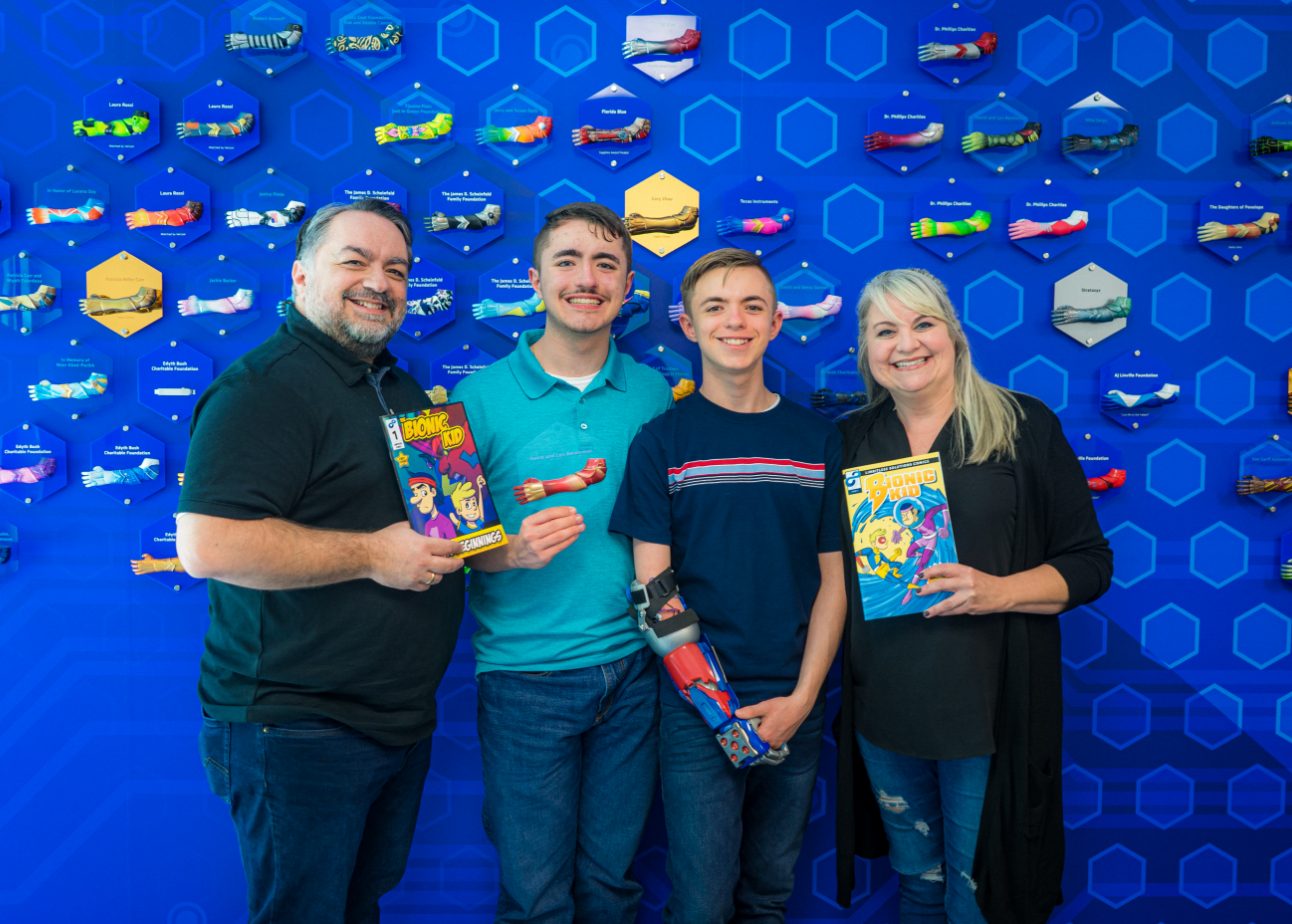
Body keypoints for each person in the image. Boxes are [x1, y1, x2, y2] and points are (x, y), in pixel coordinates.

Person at [176, 199, 468, 924]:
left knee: (355, 909)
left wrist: (499, 547)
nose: (380, 281)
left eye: (396, 268)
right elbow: (208, 546)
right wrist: (374, 555)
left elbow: (437, 529)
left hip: (394, 721)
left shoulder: (399, 387)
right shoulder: (263, 388)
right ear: (301, 275)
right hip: (298, 725)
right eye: (356, 261)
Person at [831, 268, 1113, 924]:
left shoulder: (1022, 425)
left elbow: (1090, 564)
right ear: (866, 351)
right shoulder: (848, 442)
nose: (907, 343)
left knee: (979, 897)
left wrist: (997, 591)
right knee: (920, 887)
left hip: (990, 713)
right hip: (887, 710)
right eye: (885, 330)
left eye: (924, 323)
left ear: (954, 335)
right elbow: (824, 574)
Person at [450, 202, 674, 922]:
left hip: (635, 674)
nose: (587, 278)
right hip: (524, 682)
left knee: (611, 890)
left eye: (606, 263)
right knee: (536, 899)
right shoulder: (472, 398)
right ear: (536, 279)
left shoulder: (650, 393)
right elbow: (447, 542)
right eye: (568, 261)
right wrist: (506, 550)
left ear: (628, 283)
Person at [610, 248, 846, 923]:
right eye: (715, 307)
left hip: (796, 704)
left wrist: (801, 701)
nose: (733, 321)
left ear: (777, 324)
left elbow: (836, 585)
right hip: (696, 713)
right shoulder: (662, 442)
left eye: (751, 307)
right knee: (702, 906)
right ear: (686, 324)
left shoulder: (818, 440)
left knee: (768, 899)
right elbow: (655, 593)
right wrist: (717, 711)